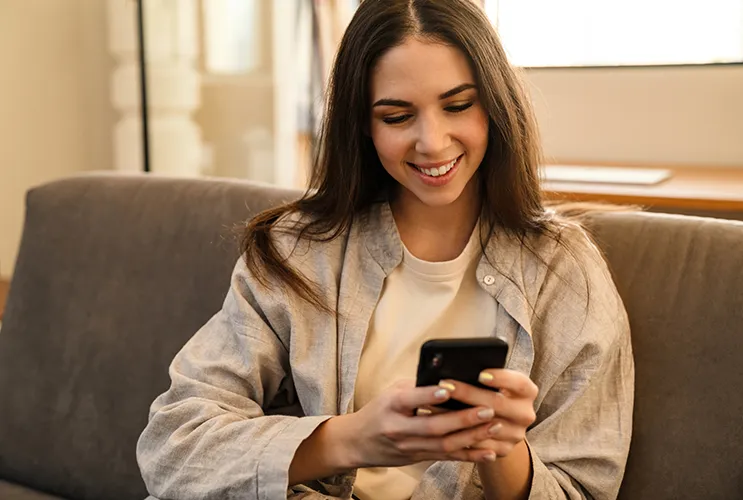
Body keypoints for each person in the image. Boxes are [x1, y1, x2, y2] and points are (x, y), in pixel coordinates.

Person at [136, 0, 634, 499]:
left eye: (458, 105)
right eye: (397, 117)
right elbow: (174, 445)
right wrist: (352, 438)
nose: (433, 143)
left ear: (496, 106)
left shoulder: (566, 273)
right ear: (364, 127)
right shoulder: (299, 251)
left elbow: (584, 490)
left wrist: (500, 446)